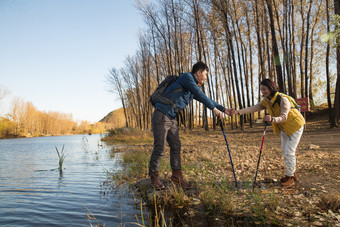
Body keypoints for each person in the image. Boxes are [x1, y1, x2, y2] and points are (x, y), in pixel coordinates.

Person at [150, 61, 231, 190]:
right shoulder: (187, 77)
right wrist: (214, 110)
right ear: (198, 73)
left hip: (171, 118)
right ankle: (154, 178)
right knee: (160, 147)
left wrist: (223, 108)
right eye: (205, 74)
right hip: (161, 115)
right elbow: (200, 94)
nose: (205, 78)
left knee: (176, 146)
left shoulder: (192, 88)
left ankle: (176, 176)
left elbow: (206, 98)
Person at [230, 78, 305, 187]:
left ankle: (291, 177)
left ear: (271, 88)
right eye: (261, 90)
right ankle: (292, 173)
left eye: (264, 89)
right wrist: (238, 112)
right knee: (285, 152)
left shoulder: (283, 99)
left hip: (296, 126)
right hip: (284, 128)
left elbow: (284, 117)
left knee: (289, 151)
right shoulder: (266, 100)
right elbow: (254, 108)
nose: (263, 92)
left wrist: (272, 119)